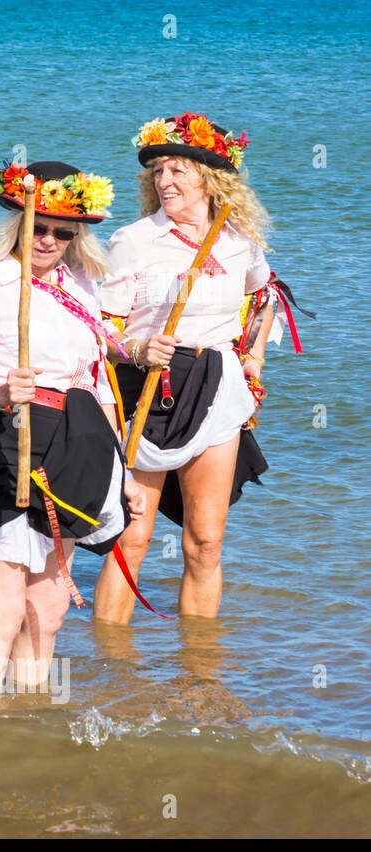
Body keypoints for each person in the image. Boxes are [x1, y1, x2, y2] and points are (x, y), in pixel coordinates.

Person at [0, 161, 143, 697]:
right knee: (2, 619)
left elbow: (98, 390)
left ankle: (31, 726)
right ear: (17, 224)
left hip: (76, 450)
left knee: (45, 616)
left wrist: (124, 474)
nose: (48, 239)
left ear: (76, 236)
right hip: (0, 447)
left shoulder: (83, 289)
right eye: (38, 226)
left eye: (62, 231)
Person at [93, 113, 285, 624]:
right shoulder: (134, 240)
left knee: (205, 542)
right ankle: (111, 665)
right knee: (131, 538)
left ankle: (198, 668)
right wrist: (136, 350)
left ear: (210, 178)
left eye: (177, 171)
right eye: (158, 172)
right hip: (149, 388)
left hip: (219, 386)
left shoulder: (239, 237)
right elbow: (100, 330)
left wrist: (254, 356)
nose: (164, 182)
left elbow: (263, 299)